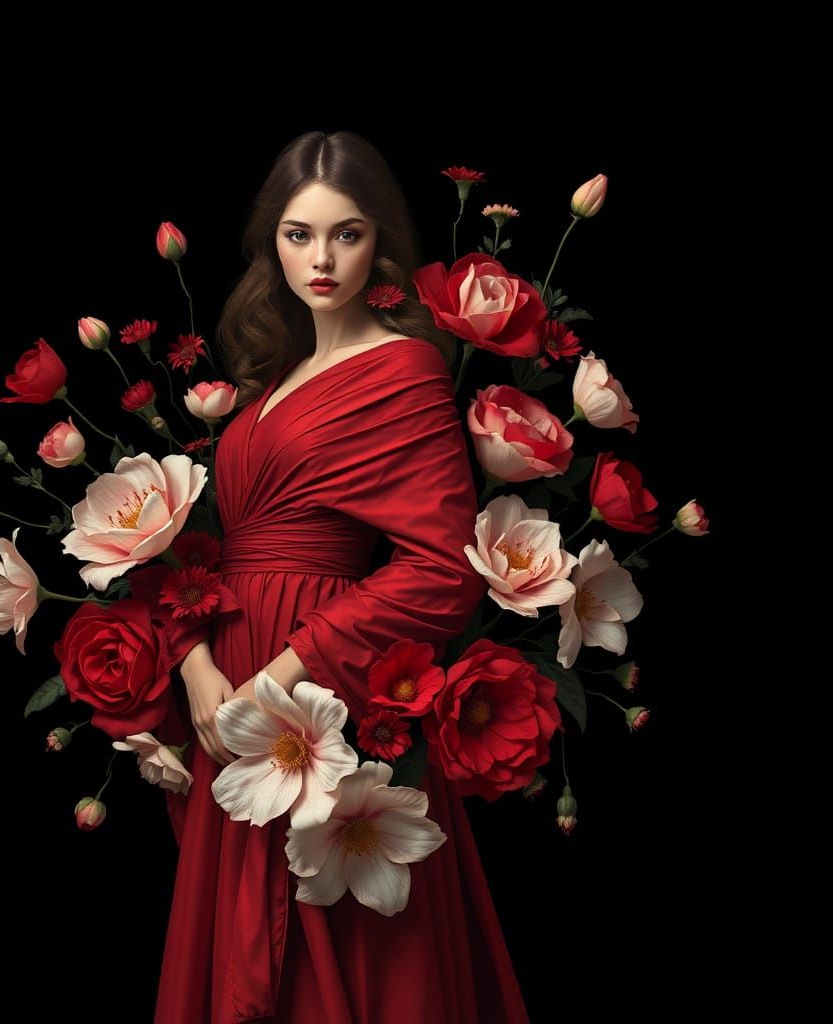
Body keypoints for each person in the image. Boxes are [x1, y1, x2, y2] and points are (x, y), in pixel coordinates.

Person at [155, 131, 530, 1023]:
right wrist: (198, 666)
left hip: (325, 691)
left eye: (346, 234)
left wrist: (281, 677)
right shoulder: (272, 381)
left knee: (346, 963)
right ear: (271, 243)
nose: (320, 259)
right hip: (234, 695)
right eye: (298, 235)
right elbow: (218, 554)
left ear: (381, 240)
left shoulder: (403, 370)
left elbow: (441, 571)